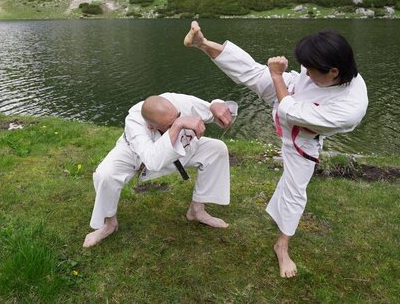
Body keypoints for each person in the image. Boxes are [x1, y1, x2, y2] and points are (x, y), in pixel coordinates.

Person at [184, 21, 368, 278]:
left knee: (294, 190)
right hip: (290, 91)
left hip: (301, 136)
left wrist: (277, 76)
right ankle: (202, 43)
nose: (306, 73)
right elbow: (291, 86)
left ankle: (281, 246)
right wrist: (279, 77)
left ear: (334, 72)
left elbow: (289, 111)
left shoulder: (349, 108)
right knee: (251, 71)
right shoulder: (326, 65)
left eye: (311, 70)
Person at [83, 93, 237, 248]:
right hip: (134, 154)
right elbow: (152, 161)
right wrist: (179, 124)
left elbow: (210, 108)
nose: (177, 121)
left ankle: (197, 211)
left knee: (216, 149)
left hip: (180, 147)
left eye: (178, 116)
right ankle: (110, 224)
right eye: (170, 124)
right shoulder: (134, 122)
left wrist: (217, 107)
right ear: (151, 126)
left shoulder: (176, 101)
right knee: (105, 175)